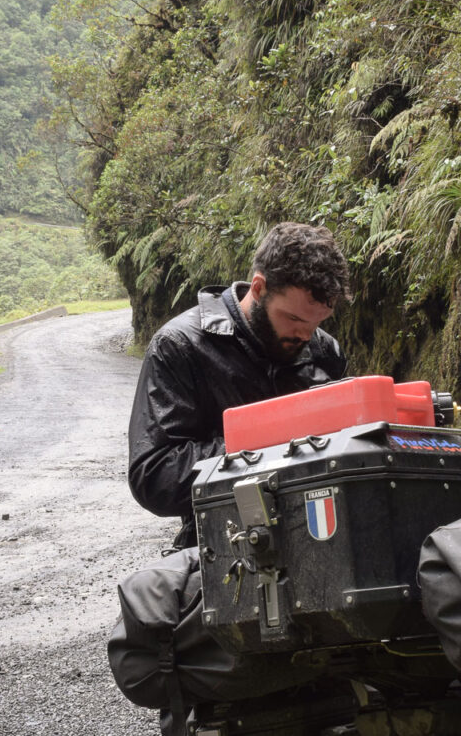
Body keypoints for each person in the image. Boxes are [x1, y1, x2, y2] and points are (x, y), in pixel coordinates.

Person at [127, 222, 352, 549]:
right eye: (294, 319)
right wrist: (270, 442)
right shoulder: (181, 346)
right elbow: (154, 476)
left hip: (324, 536)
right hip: (226, 548)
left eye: (317, 323)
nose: (306, 335)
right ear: (258, 288)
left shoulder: (323, 351)